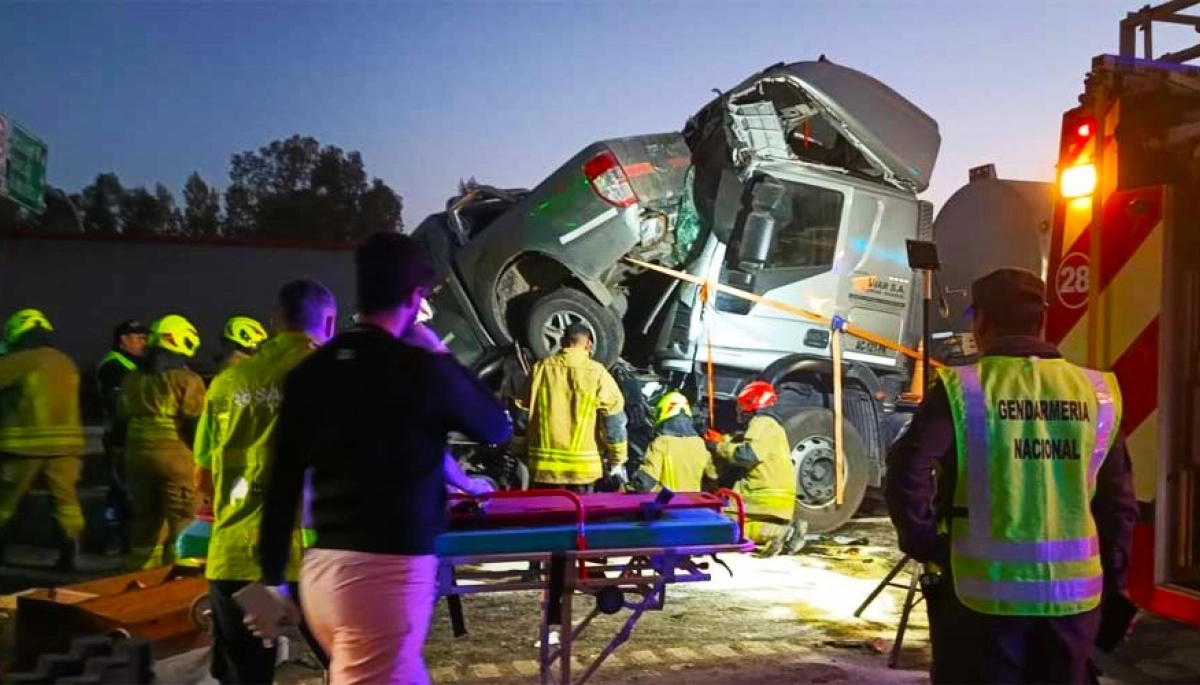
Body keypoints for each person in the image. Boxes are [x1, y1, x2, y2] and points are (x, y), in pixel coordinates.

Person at [255, 232, 512, 684]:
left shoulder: (311, 374)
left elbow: (282, 480)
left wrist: (273, 576)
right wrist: (438, 350)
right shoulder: (419, 369)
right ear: (415, 296)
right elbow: (495, 427)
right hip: (384, 577)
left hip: (322, 571)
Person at [884, 267, 1138, 684]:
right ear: (1042, 319)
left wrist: (928, 544)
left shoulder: (962, 389)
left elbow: (907, 472)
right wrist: (1114, 580)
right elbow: (1118, 503)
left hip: (982, 600)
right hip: (1073, 602)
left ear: (980, 320)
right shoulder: (1096, 393)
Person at [193, 281, 336, 684]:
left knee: (244, 677)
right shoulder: (331, 377)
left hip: (235, 558)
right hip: (313, 561)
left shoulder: (226, 383)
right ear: (328, 321)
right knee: (353, 667)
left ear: (275, 324)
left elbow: (202, 475)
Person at [117, 314, 207, 570]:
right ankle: (180, 582)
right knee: (184, 521)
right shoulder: (187, 380)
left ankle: (139, 578)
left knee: (146, 522)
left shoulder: (131, 378)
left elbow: (119, 421)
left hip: (136, 458)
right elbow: (195, 425)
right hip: (175, 459)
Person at [0, 309, 87, 571]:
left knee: (4, 503)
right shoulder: (65, 361)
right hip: (66, 449)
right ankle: (70, 552)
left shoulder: (19, 360)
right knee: (66, 503)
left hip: (23, 447)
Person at [524, 323, 627, 492]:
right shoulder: (597, 373)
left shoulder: (540, 369)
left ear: (563, 341)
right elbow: (614, 419)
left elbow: (522, 413)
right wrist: (617, 458)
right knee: (578, 516)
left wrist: (518, 449)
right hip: (583, 472)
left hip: (544, 469)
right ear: (588, 344)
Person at [709, 381, 801, 557]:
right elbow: (747, 444)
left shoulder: (763, 423)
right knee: (740, 522)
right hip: (776, 496)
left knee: (721, 521)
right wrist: (725, 441)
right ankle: (779, 531)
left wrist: (717, 447)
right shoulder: (772, 427)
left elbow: (746, 455)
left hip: (763, 493)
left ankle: (778, 533)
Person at [97, 319, 148, 555]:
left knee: (130, 490)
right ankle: (113, 537)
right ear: (122, 340)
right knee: (120, 491)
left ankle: (126, 535)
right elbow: (116, 402)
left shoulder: (139, 365)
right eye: (137, 338)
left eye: (145, 338)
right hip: (119, 437)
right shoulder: (113, 366)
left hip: (134, 437)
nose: (143, 342)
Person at [628, 391, 715, 493]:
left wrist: (626, 487)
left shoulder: (662, 443)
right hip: (692, 503)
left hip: (668, 505)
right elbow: (712, 476)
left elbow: (645, 483)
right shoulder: (699, 444)